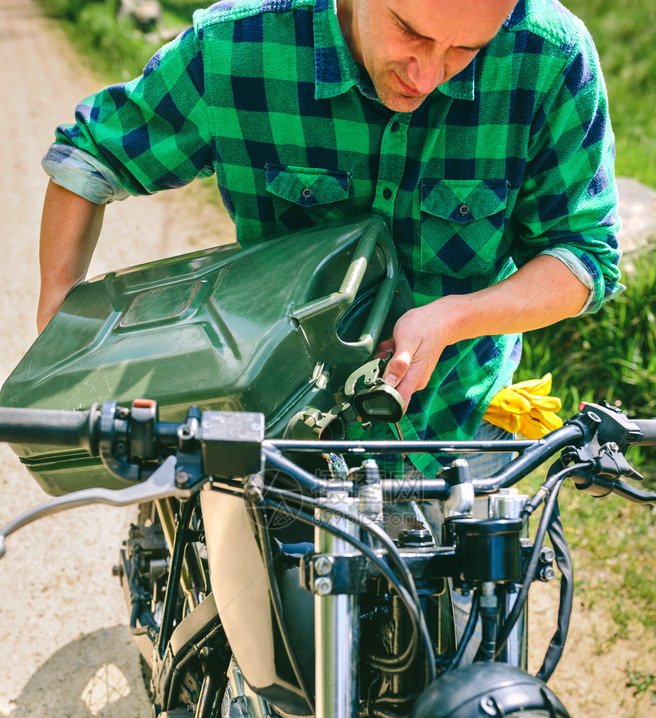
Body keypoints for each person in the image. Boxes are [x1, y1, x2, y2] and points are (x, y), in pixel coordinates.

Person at [38, 0, 622, 477]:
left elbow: (584, 255)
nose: (427, 75)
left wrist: (454, 318)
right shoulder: (236, 49)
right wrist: (62, 315)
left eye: (466, 50)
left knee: (473, 618)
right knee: (251, 612)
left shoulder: (551, 58)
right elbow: (89, 157)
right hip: (269, 433)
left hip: (460, 423)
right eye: (409, 32)